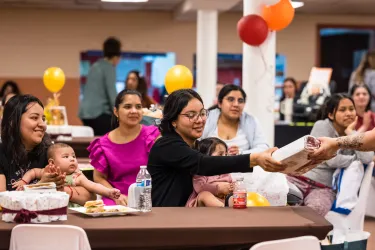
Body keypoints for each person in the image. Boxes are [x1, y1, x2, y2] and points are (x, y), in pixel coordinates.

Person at [147, 89, 286, 207]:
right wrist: (254, 158)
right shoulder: (166, 145)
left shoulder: (194, 146)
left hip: (189, 218)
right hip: (166, 222)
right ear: (173, 121)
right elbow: (203, 163)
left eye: (202, 113)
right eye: (191, 115)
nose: (200, 120)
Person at [288, 94, 373, 216]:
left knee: (314, 212)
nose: (349, 113)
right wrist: (355, 158)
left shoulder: (353, 134)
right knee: (281, 201)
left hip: (323, 188)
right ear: (331, 114)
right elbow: (331, 160)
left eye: (351, 109)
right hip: (298, 179)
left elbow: (367, 158)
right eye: (342, 110)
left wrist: (350, 133)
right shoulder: (322, 126)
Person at [0, 95, 95, 205]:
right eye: (34, 118)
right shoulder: (2, 153)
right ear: (13, 121)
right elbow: (2, 202)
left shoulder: (51, 153)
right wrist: (41, 186)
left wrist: (59, 189)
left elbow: (90, 197)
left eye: (43, 119)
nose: (43, 125)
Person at [88, 90, 160, 206]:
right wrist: (116, 196)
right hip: (117, 200)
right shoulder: (103, 144)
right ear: (116, 111)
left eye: (138, 107)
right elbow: (99, 178)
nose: (134, 111)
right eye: (127, 107)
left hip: (149, 197)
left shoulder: (153, 136)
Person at [12, 143, 121, 204]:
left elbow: (93, 186)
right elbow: (33, 172)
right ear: (52, 162)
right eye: (66, 157)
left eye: (73, 156)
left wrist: (108, 192)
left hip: (70, 211)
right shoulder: (49, 171)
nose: (72, 159)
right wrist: (23, 181)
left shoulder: (76, 176)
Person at [203, 84, 268, 156]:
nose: (236, 104)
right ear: (219, 103)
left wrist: (241, 153)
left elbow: (263, 148)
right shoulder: (206, 118)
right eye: (231, 99)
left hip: (242, 166)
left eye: (240, 101)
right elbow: (195, 145)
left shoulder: (251, 121)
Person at [79, 37, 122, 136]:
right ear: (117, 56)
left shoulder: (95, 65)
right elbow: (112, 95)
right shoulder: (109, 67)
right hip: (98, 113)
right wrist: (121, 112)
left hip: (85, 113)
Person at [186, 137, 233, 207]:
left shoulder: (225, 172)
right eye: (220, 154)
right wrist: (218, 188)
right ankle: (225, 211)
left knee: (234, 196)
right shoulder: (201, 172)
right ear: (205, 157)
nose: (225, 158)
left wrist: (233, 187)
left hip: (222, 200)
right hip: (201, 205)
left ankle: (234, 212)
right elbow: (200, 188)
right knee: (204, 195)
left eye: (226, 154)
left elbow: (232, 182)